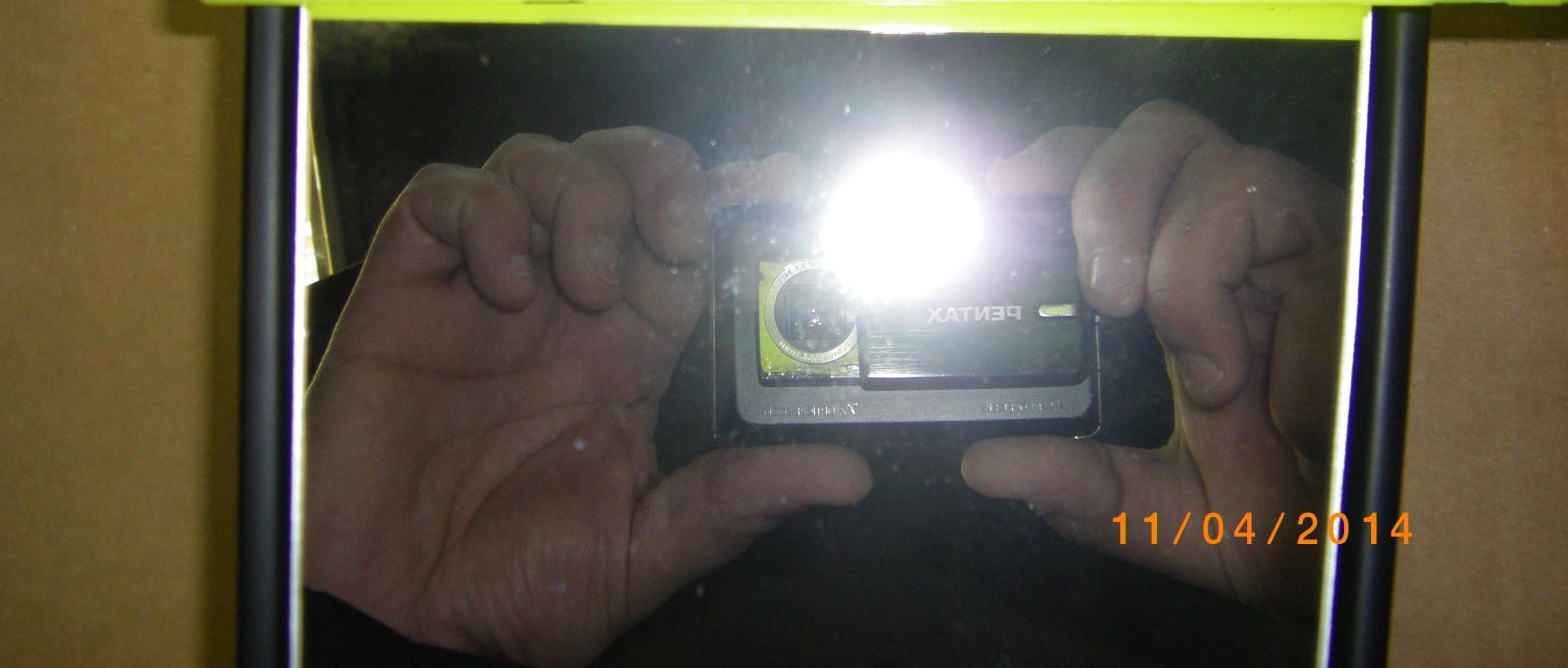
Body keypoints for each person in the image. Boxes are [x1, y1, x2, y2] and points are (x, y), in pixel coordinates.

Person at [305, 102, 1344, 665]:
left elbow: (1376, 543)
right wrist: (371, 616)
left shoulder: (1261, 447)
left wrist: (1347, 531)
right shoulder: (495, 362)